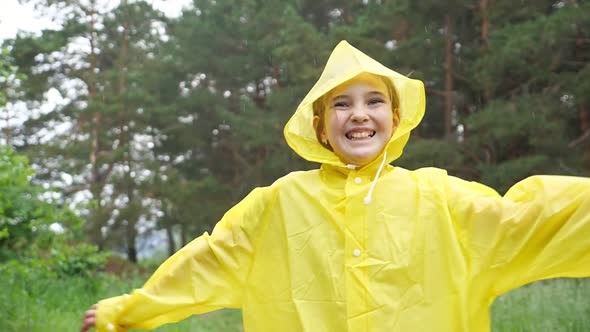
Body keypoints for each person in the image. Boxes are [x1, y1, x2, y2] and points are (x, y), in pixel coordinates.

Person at [81, 40, 590, 332]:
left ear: (394, 117)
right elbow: (206, 264)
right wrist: (122, 311)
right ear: (321, 125)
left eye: (373, 102)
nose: (359, 115)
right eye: (341, 104)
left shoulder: (439, 196)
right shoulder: (278, 203)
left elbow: (536, 219)